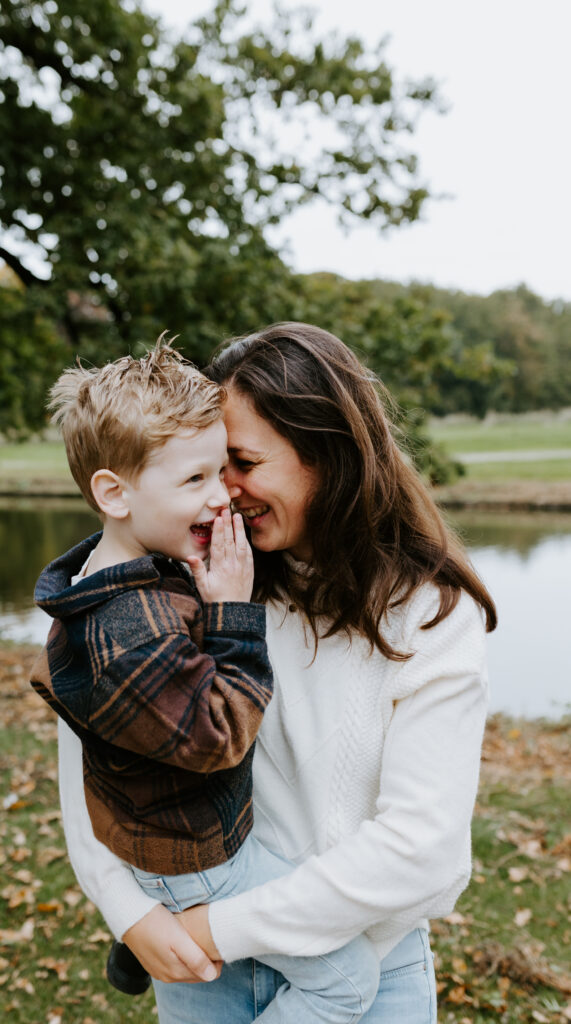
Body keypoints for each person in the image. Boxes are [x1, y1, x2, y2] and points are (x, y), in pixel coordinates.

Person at [57, 323, 496, 1023]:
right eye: (203, 468)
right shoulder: (191, 577)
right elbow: (95, 755)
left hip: (367, 977)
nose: (221, 493)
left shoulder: (428, 612)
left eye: (240, 462)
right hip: (201, 978)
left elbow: (423, 848)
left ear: (328, 454)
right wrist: (128, 910)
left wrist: (210, 929)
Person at [31, 340, 381, 1023]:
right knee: (347, 981)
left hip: (172, 838)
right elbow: (219, 736)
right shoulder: (128, 629)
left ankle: (142, 937)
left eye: (223, 471)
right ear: (113, 493)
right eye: (195, 480)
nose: (222, 496)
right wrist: (231, 615)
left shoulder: (122, 573)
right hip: (199, 858)